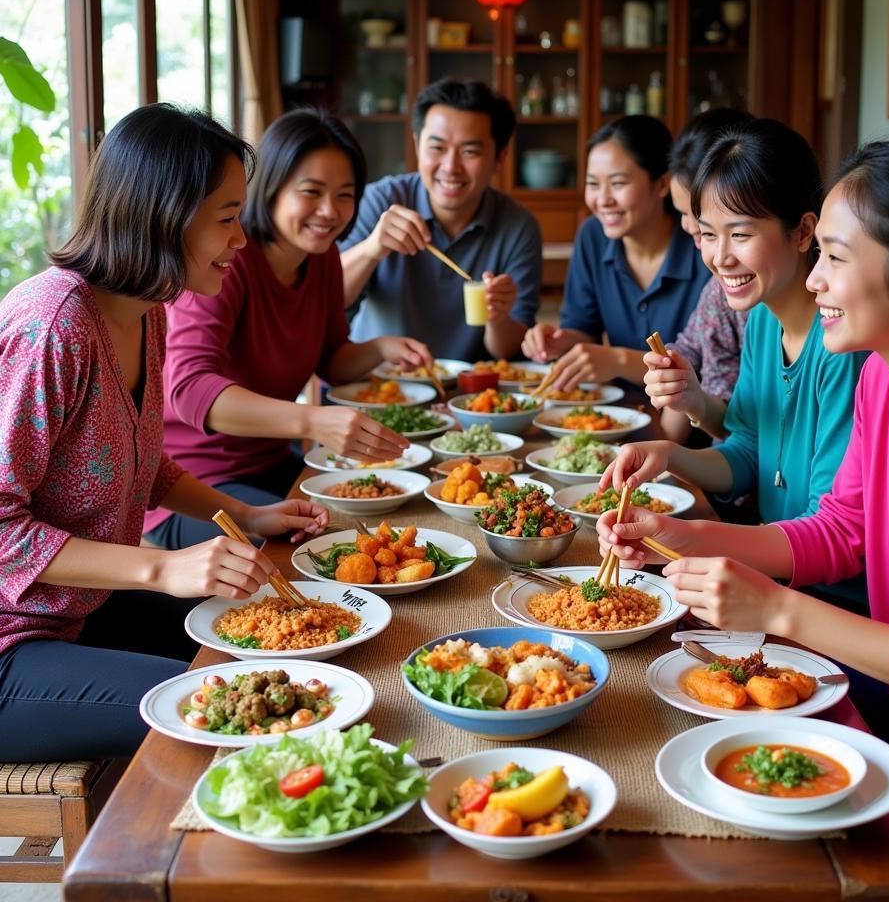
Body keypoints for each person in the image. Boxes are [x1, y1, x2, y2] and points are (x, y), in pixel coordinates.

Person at [597, 135, 889, 899]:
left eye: (833, 257)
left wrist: (780, 612)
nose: (816, 279)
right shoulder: (884, 385)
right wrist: (676, 536)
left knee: (773, 851)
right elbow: (839, 531)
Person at [0, 104, 328, 761]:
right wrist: (162, 567)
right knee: (236, 709)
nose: (243, 241)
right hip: (16, 647)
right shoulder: (52, 326)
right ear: (167, 215)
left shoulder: (147, 311)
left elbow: (141, 465)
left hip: (85, 613)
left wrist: (246, 515)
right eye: (229, 219)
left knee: (294, 641)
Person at [602, 118, 869, 610]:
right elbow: (747, 452)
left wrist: (689, 535)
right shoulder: (764, 319)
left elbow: (829, 532)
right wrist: (668, 453)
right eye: (706, 234)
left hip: (825, 604)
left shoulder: (845, 348)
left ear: (803, 231)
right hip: (774, 580)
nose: (719, 256)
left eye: (740, 234)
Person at [147, 109, 428, 550]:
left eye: (345, 195)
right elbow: (189, 389)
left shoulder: (322, 259)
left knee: (384, 518)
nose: (329, 211)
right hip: (195, 486)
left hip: (274, 462)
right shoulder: (225, 262)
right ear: (272, 188)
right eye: (312, 192)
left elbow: (332, 359)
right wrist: (313, 419)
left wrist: (380, 348)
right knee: (315, 549)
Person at [339, 77, 542, 360]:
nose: (450, 167)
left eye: (470, 151)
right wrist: (371, 249)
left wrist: (498, 315)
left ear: (500, 156)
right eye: (437, 147)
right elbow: (329, 300)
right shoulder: (380, 201)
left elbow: (508, 351)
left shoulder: (519, 227)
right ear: (416, 144)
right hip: (378, 384)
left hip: (468, 394)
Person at [521, 115, 709, 391]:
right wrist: (559, 341)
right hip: (618, 410)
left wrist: (620, 360)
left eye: (618, 184)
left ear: (662, 184)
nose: (603, 200)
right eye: (593, 184)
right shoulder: (592, 236)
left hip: (692, 421)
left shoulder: (704, 247)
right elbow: (584, 330)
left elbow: (712, 366)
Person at [648, 108, 751, 444]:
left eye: (699, 214)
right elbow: (688, 352)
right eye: (683, 213)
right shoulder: (719, 289)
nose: (690, 227)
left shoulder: (749, 288)